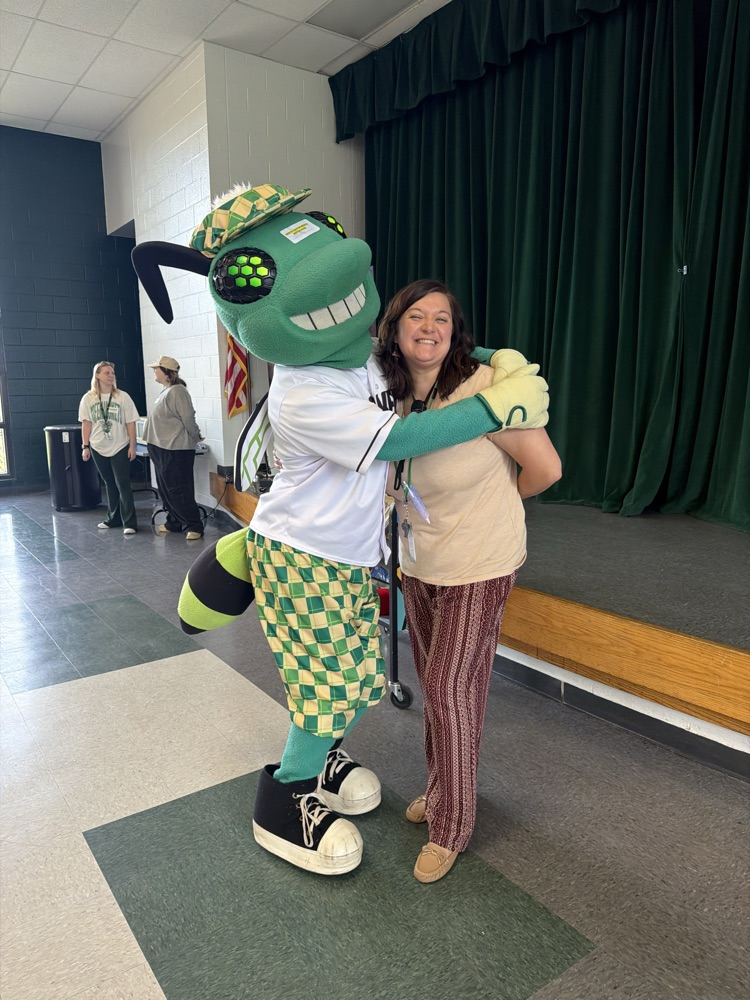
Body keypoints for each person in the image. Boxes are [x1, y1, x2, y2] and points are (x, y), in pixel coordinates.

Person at [133, 182, 549, 879]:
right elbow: (398, 438)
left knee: (351, 678)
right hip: (304, 558)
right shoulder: (303, 393)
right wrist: (498, 409)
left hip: (349, 559)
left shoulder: (360, 352)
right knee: (325, 683)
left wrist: (492, 363)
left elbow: (423, 356)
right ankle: (286, 794)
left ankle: (322, 760)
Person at [376, 279, 562, 884]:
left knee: (453, 693)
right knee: (437, 686)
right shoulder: (391, 393)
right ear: (395, 327)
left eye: (442, 319)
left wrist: (493, 512)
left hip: (479, 564)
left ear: (456, 333)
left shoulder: (486, 390)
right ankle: (441, 787)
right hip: (420, 561)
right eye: (416, 316)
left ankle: (451, 825)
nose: (429, 327)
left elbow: (545, 470)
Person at [143, 355, 204, 540]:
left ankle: (194, 525)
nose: (154, 371)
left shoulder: (178, 391)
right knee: (166, 488)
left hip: (175, 448)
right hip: (161, 446)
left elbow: (188, 418)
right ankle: (174, 522)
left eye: (157, 369)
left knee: (178, 488)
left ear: (167, 373)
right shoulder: (166, 391)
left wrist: (196, 436)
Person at [79, 361, 139, 535]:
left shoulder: (122, 397)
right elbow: (86, 423)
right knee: (109, 483)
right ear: (97, 375)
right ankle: (113, 519)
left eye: (112, 373)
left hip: (119, 445)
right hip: (98, 446)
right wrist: (85, 446)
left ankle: (130, 522)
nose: (111, 375)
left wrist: (132, 446)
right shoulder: (89, 398)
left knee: (123, 483)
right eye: (106, 373)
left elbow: (130, 423)